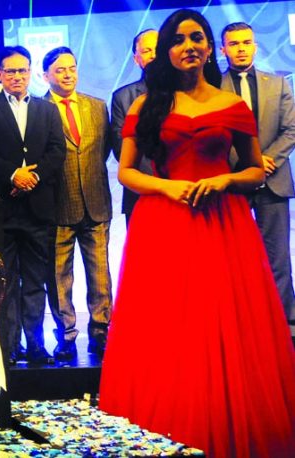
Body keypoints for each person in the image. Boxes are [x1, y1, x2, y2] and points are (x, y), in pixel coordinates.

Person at [99, 10, 295, 457]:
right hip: (163, 223)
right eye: (180, 39)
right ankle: (167, 424)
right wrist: (167, 186)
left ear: (210, 48)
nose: (190, 45)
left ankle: (227, 424)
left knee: (224, 321)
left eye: (198, 37)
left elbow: (251, 170)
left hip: (223, 225)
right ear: (167, 50)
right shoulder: (145, 105)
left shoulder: (233, 106)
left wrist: (226, 180)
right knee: (169, 324)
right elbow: (127, 172)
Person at [0, 46, 65, 366]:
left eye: (22, 71)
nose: (17, 77)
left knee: (36, 281)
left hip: (38, 209)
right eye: (10, 71)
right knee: (4, 281)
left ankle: (36, 345)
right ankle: (8, 347)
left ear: (31, 72)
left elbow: (56, 152)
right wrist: (13, 175)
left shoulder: (47, 110)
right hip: (3, 209)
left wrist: (32, 179)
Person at [220, 22, 295, 328]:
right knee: (231, 258)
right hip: (233, 182)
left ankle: (283, 320)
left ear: (255, 46)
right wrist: (248, 164)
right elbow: (214, 137)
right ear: (223, 49)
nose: (240, 48)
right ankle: (239, 320)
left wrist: (265, 161)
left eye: (245, 42)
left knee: (277, 256)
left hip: (273, 180)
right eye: (234, 44)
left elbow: (291, 130)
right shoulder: (212, 87)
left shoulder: (278, 84)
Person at [40, 47, 113, 361]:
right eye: (60, 70)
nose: (67, 74)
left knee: (100, 274)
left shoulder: (97, 106)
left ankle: (101, 331)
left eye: (71, 68)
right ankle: (66, 334)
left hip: (95, 201)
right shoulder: (38, 109)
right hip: (57, 206)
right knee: (59, 277)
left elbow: (105, 150)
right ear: (46, 76)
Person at [111, 29, 157, 224]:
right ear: (136, 59)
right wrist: (156, 182)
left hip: (183, 192)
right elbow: (121, 149)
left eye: (158, 49)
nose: (154, 56)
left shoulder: (188, 92)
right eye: (147, 51)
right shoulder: (123, 97)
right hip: (140, 194)